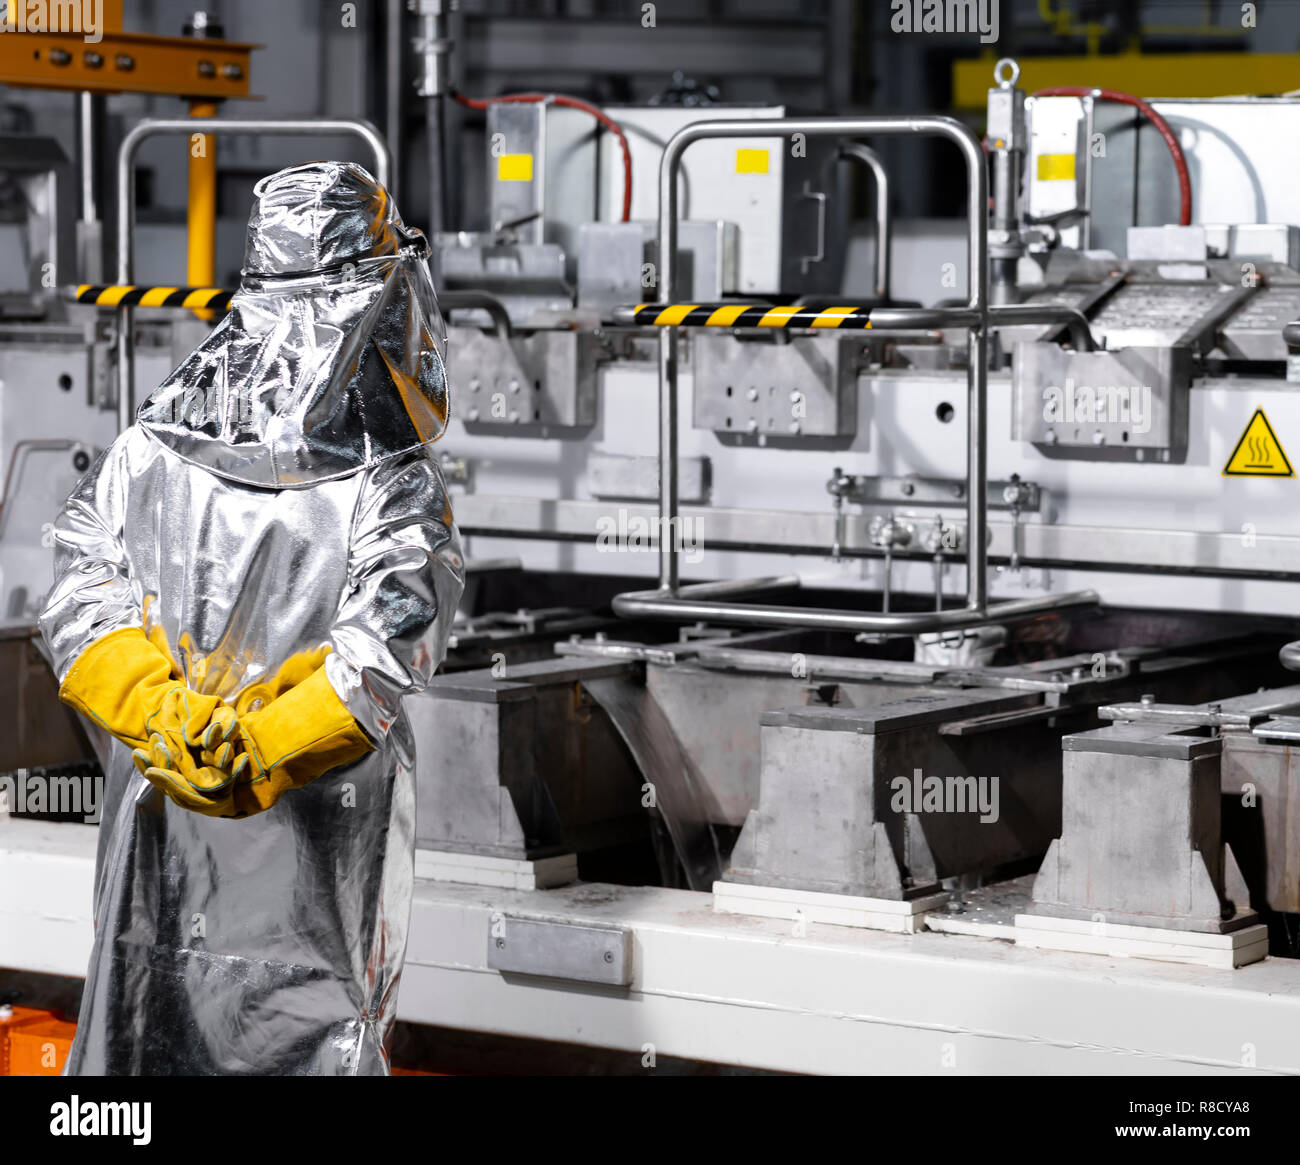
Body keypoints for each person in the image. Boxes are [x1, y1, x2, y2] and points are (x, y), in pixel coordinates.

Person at [39, 161, 464, 1075]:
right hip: (318, 856)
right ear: (381, 299)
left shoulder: (151, 444)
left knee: (142, 1035)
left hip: (157, 831)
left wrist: (162, 715)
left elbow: (77, 588)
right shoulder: (392, 478)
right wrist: (261, 749)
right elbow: (385, 653)